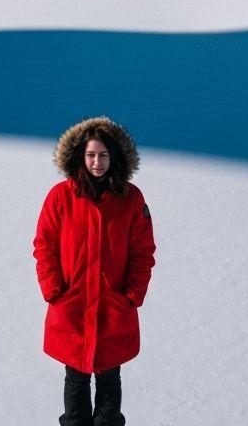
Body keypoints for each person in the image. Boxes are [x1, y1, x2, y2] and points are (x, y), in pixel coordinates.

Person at [33, 116, 157, 426]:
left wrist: (131, 295)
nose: (97, 162)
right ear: (80, 156)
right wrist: (54, 290)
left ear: (114, 156)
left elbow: (143, 252)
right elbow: (44, 246)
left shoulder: (131, 199)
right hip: (72, 305)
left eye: (103, 155)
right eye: (91, 155)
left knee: (109, 378)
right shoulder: (61, 196)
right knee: (75, 379)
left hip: (112, 307)